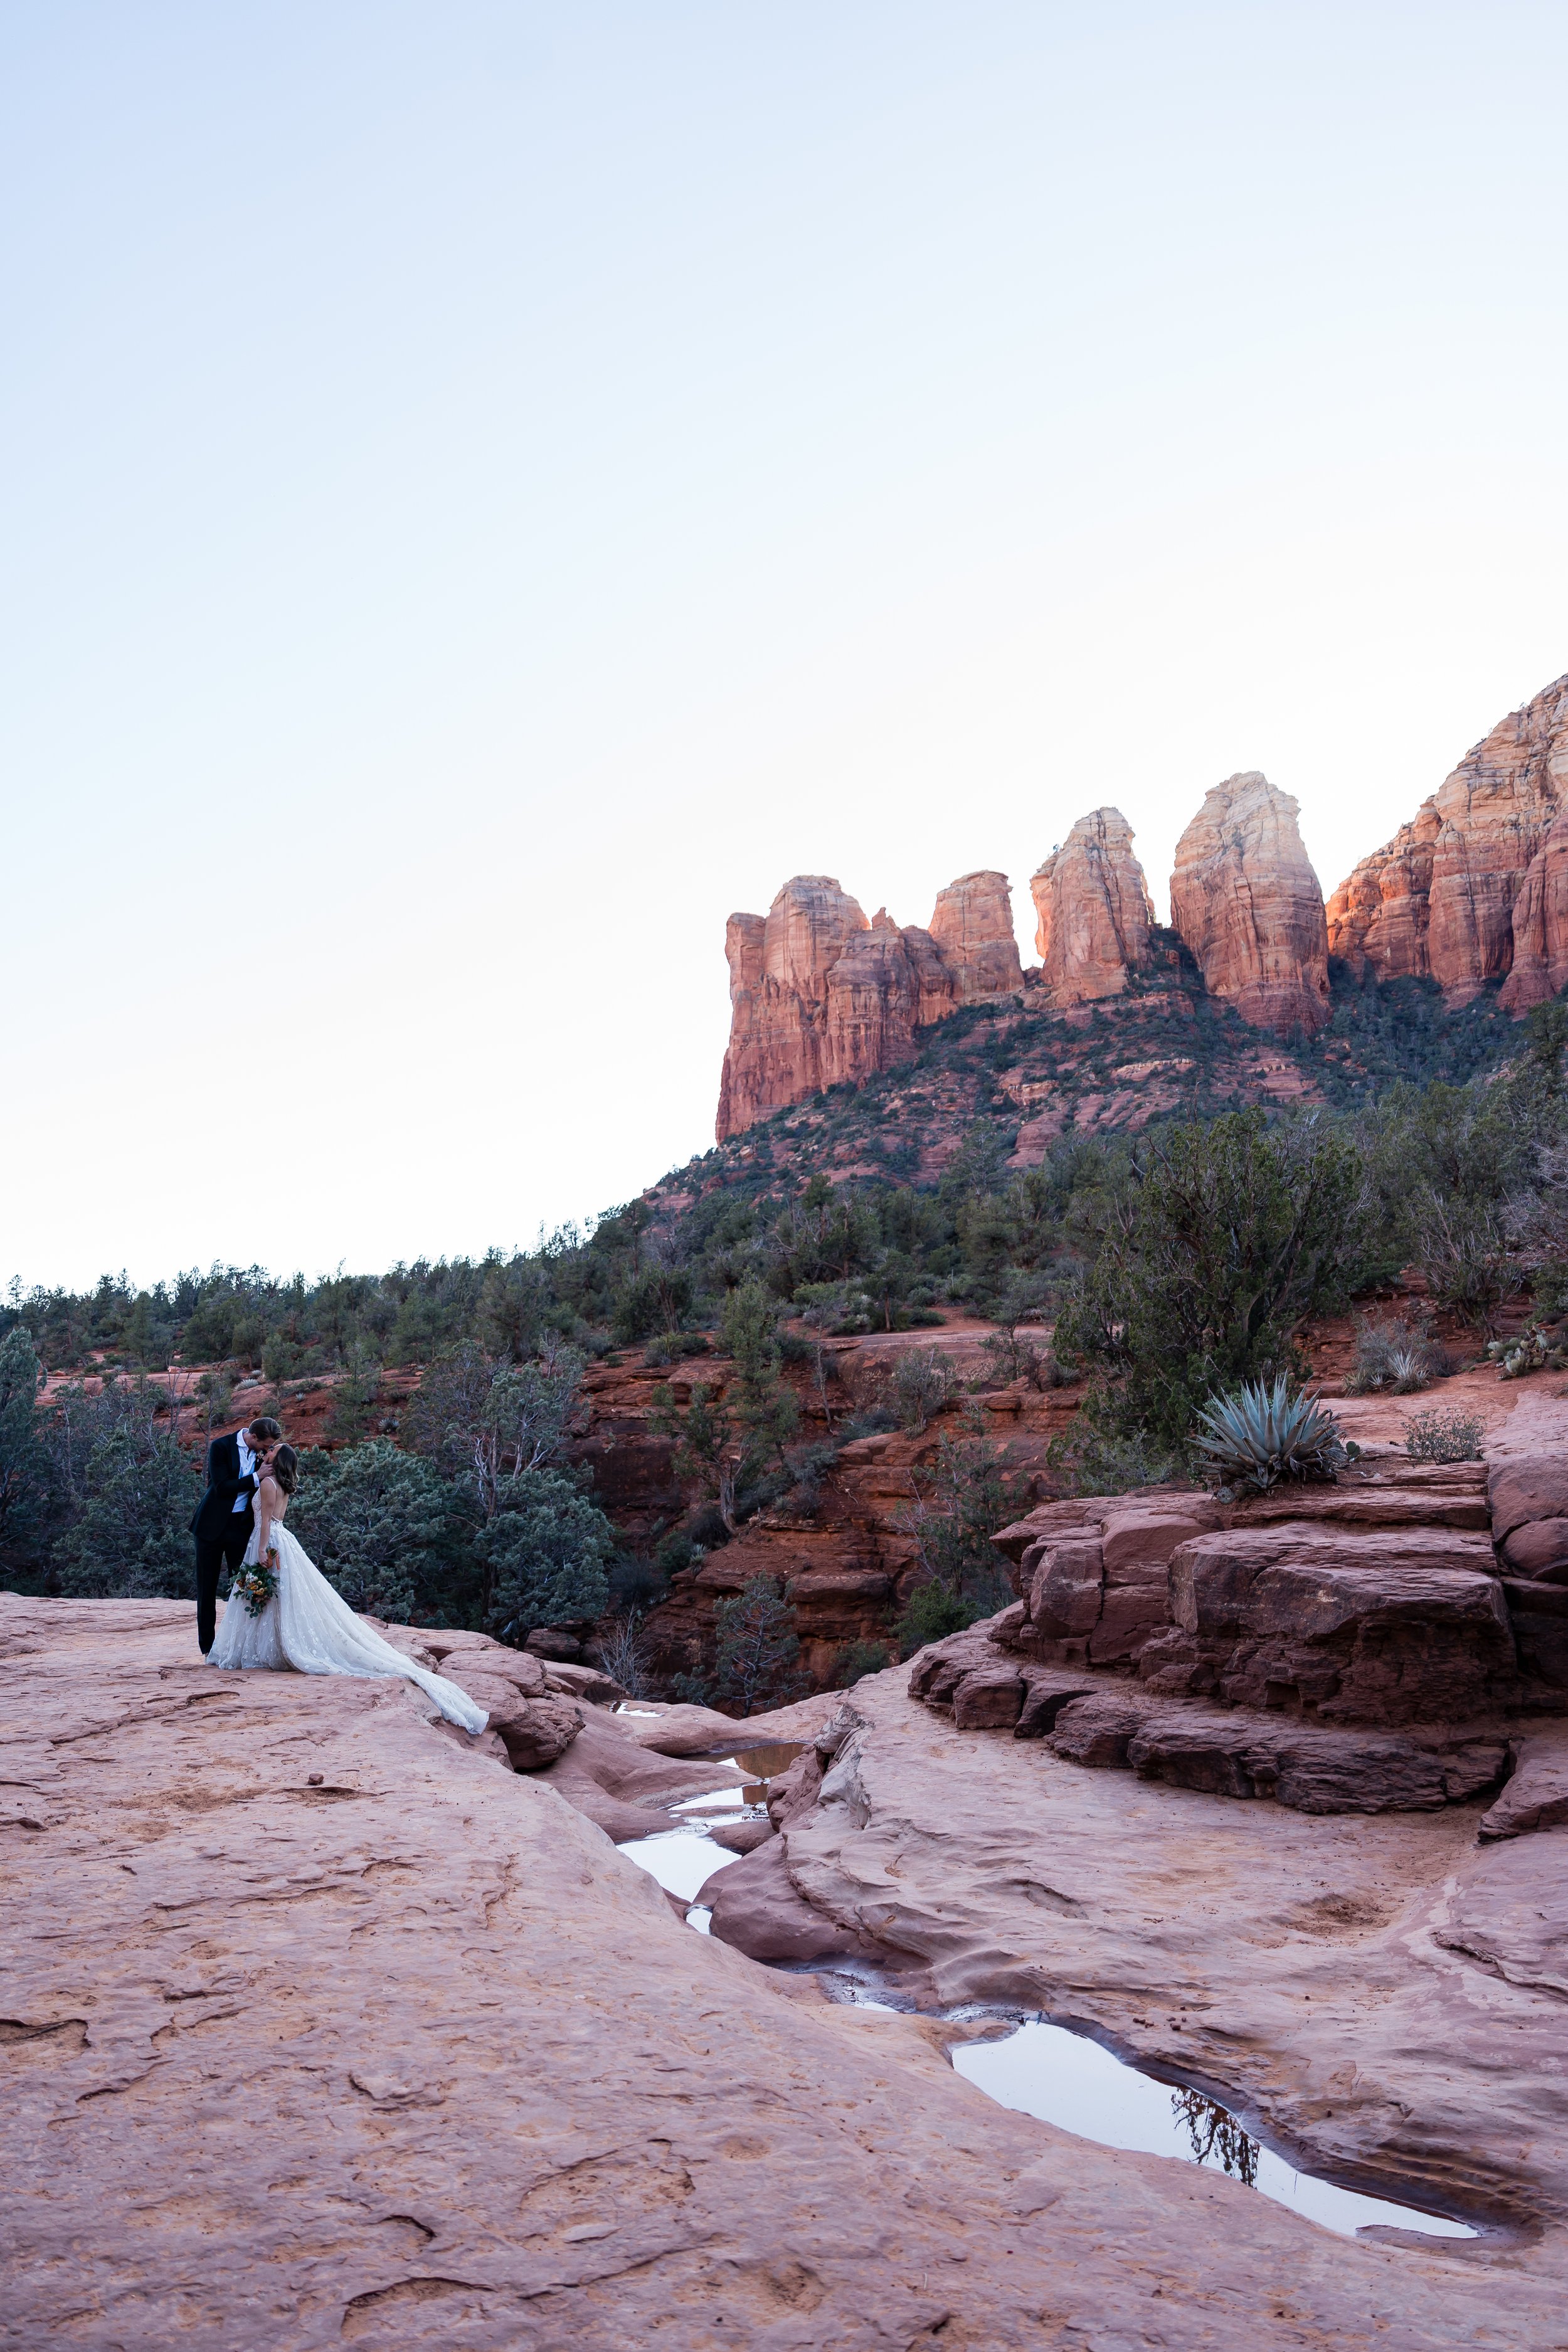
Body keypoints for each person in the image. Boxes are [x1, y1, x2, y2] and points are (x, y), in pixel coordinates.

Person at [207, 1441, 488, 1733]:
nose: (267, 1453)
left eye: (272, 1451)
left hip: (267, 1540)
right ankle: (269, 1646)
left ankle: (267, 1648)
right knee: (278, 1596)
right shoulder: (282, 1483)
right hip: (283, 1540)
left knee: (270, 1594)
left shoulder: (267, 1484)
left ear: (277, 1461)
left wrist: (263, 1548)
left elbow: (265, 1521)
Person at [189, 1415, 283, 1656]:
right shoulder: (221, 1446)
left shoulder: (263, 1455)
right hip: (211, 1526)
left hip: (240, 1528)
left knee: (242, 1587)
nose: (267, 1450)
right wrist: (256, 1477)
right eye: (265, 1445)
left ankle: (237, 1646)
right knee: (206, 1588)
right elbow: (221, 1487)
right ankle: (208, 1649)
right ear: (253, 1437)